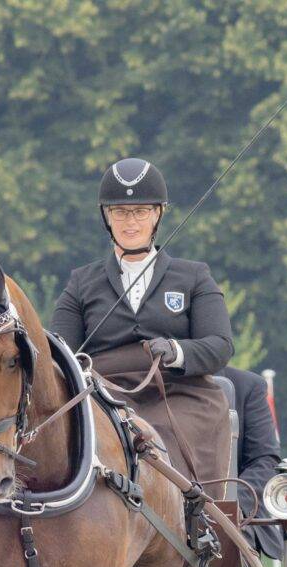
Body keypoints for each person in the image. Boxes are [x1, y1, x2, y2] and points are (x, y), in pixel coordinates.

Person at [50, 157, 234, 497]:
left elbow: (220, 345)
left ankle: (193, 513)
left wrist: (177, 350)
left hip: (178, 392)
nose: (130, 222)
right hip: (106, 395)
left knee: (160, 435)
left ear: (158, 214)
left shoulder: (194, 276)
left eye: (140, 211)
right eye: (120, 212)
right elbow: (58, 351)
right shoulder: (81, 282)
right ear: (106, 217)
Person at [217, 366, 284, 561]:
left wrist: (233, 505)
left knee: (236, 547)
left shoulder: (247, 386)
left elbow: (263, 460)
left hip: (232, 513)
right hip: (159, 510)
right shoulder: (144, 382)